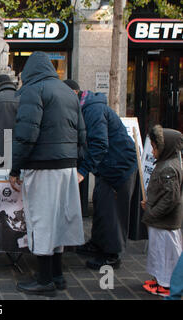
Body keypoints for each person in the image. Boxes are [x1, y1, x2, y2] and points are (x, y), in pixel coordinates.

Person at [9, 52, 86, 297]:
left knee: (41, 221)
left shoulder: (34, 90)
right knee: (59, 221)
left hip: (43, 166)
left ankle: (44, 280)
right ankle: (57, 275)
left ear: (29, 71)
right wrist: (78, 163)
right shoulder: (67, 91)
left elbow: (26, 134)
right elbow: (82, 133)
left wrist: (15, 168)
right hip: (67, 166)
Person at [64, 79, 138, 270]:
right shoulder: (83, 110)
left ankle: (111, 255)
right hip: (106, 165)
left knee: (112, 211)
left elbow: (99, 144)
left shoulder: (93, 110)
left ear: (73, 94)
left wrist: (82, 170)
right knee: (101, 204)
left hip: (118, 166)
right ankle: (97, 244)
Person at [141, 125, 182, 297]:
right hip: (159, 218)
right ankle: (160, 279)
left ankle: (166, 283)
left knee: (166, 253)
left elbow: (170, 199)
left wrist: (152, 211)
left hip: (164, 221)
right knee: (158, 250)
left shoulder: (169, 168)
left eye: (155, 146)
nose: (152, 150)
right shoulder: (166, 163)